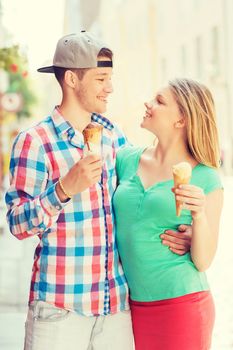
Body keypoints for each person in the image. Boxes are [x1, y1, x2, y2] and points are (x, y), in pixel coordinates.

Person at [5, 32, 191, 350]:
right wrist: (63, 189)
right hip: (59, 311)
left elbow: (141, 198)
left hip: (115, 311)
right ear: (73, 80)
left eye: (110, 78)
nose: (110, 87)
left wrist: (185, 231)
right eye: (101, 78)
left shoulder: (113, 135)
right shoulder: (34, 141)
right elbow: (18, 225)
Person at [113, 78, 223, 350]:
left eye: (159, 101)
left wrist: (198, 217)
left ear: (181, 119)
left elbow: (204, 260)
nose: (148, 104)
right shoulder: (126, 159)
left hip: (181, 306)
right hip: (130, 306)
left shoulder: (206, 177)